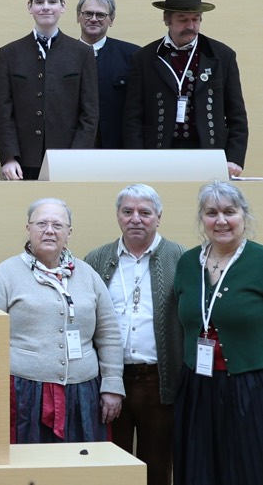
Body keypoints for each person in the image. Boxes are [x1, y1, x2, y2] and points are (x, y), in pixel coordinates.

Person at [0, 198, 124, 443]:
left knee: (79, 461)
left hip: (83, 393)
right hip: (24, 394)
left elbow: (108, 333)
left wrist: (112, 384)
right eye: (41, 224)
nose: (49, 231)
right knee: (30, 462)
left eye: (57, 225)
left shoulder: (88, 275)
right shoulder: (5, 275)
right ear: (28, 228)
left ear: (69, 233)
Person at [84, 184, 185, 485]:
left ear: (159, 217)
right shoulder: (97, 259)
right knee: (112, 465)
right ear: (118, 216)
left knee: (157, 466)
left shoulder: (180, 258)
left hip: (159, 381)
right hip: (110, 381)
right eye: (127, 211)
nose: (135, 219)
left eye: (145, 212)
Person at [173, 181, 263, 485]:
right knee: (199, 469)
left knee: (247, 468)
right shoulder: (187, 263)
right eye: (211, 213)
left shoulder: (259, 261)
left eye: (229, 212)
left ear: (244, 215)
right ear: (202, 219)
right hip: (196, 385)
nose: (221, 220)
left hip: (250, 386)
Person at [123, 0, 248, 177]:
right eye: (183, 19)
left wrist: (234, 158)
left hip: (209, 150)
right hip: (159, 150)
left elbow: (236, 116)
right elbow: (133, 117)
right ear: (167, 19)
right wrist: (136, 160)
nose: (190, 26)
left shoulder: (222, 56)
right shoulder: (144, 58)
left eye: (195, 19)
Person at [0, 0, 98, 180]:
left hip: (68, 157)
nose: (46, 7)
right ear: (29, 7)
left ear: (63, 6)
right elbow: (3, 111)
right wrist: (9, 157)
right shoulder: (9, 53)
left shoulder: (82, 53)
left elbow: (90, 113)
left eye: (52, 1)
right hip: (23, 160)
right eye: (39, 2)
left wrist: (77, 156)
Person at [76, 0, 140, 149]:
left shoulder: (132, 56)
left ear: (111, 19)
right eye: (88, 13)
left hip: (118, 147)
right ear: (78, 16)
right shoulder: (62, 55)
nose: (93, 19)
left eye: (101, 15)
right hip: (74, 147)